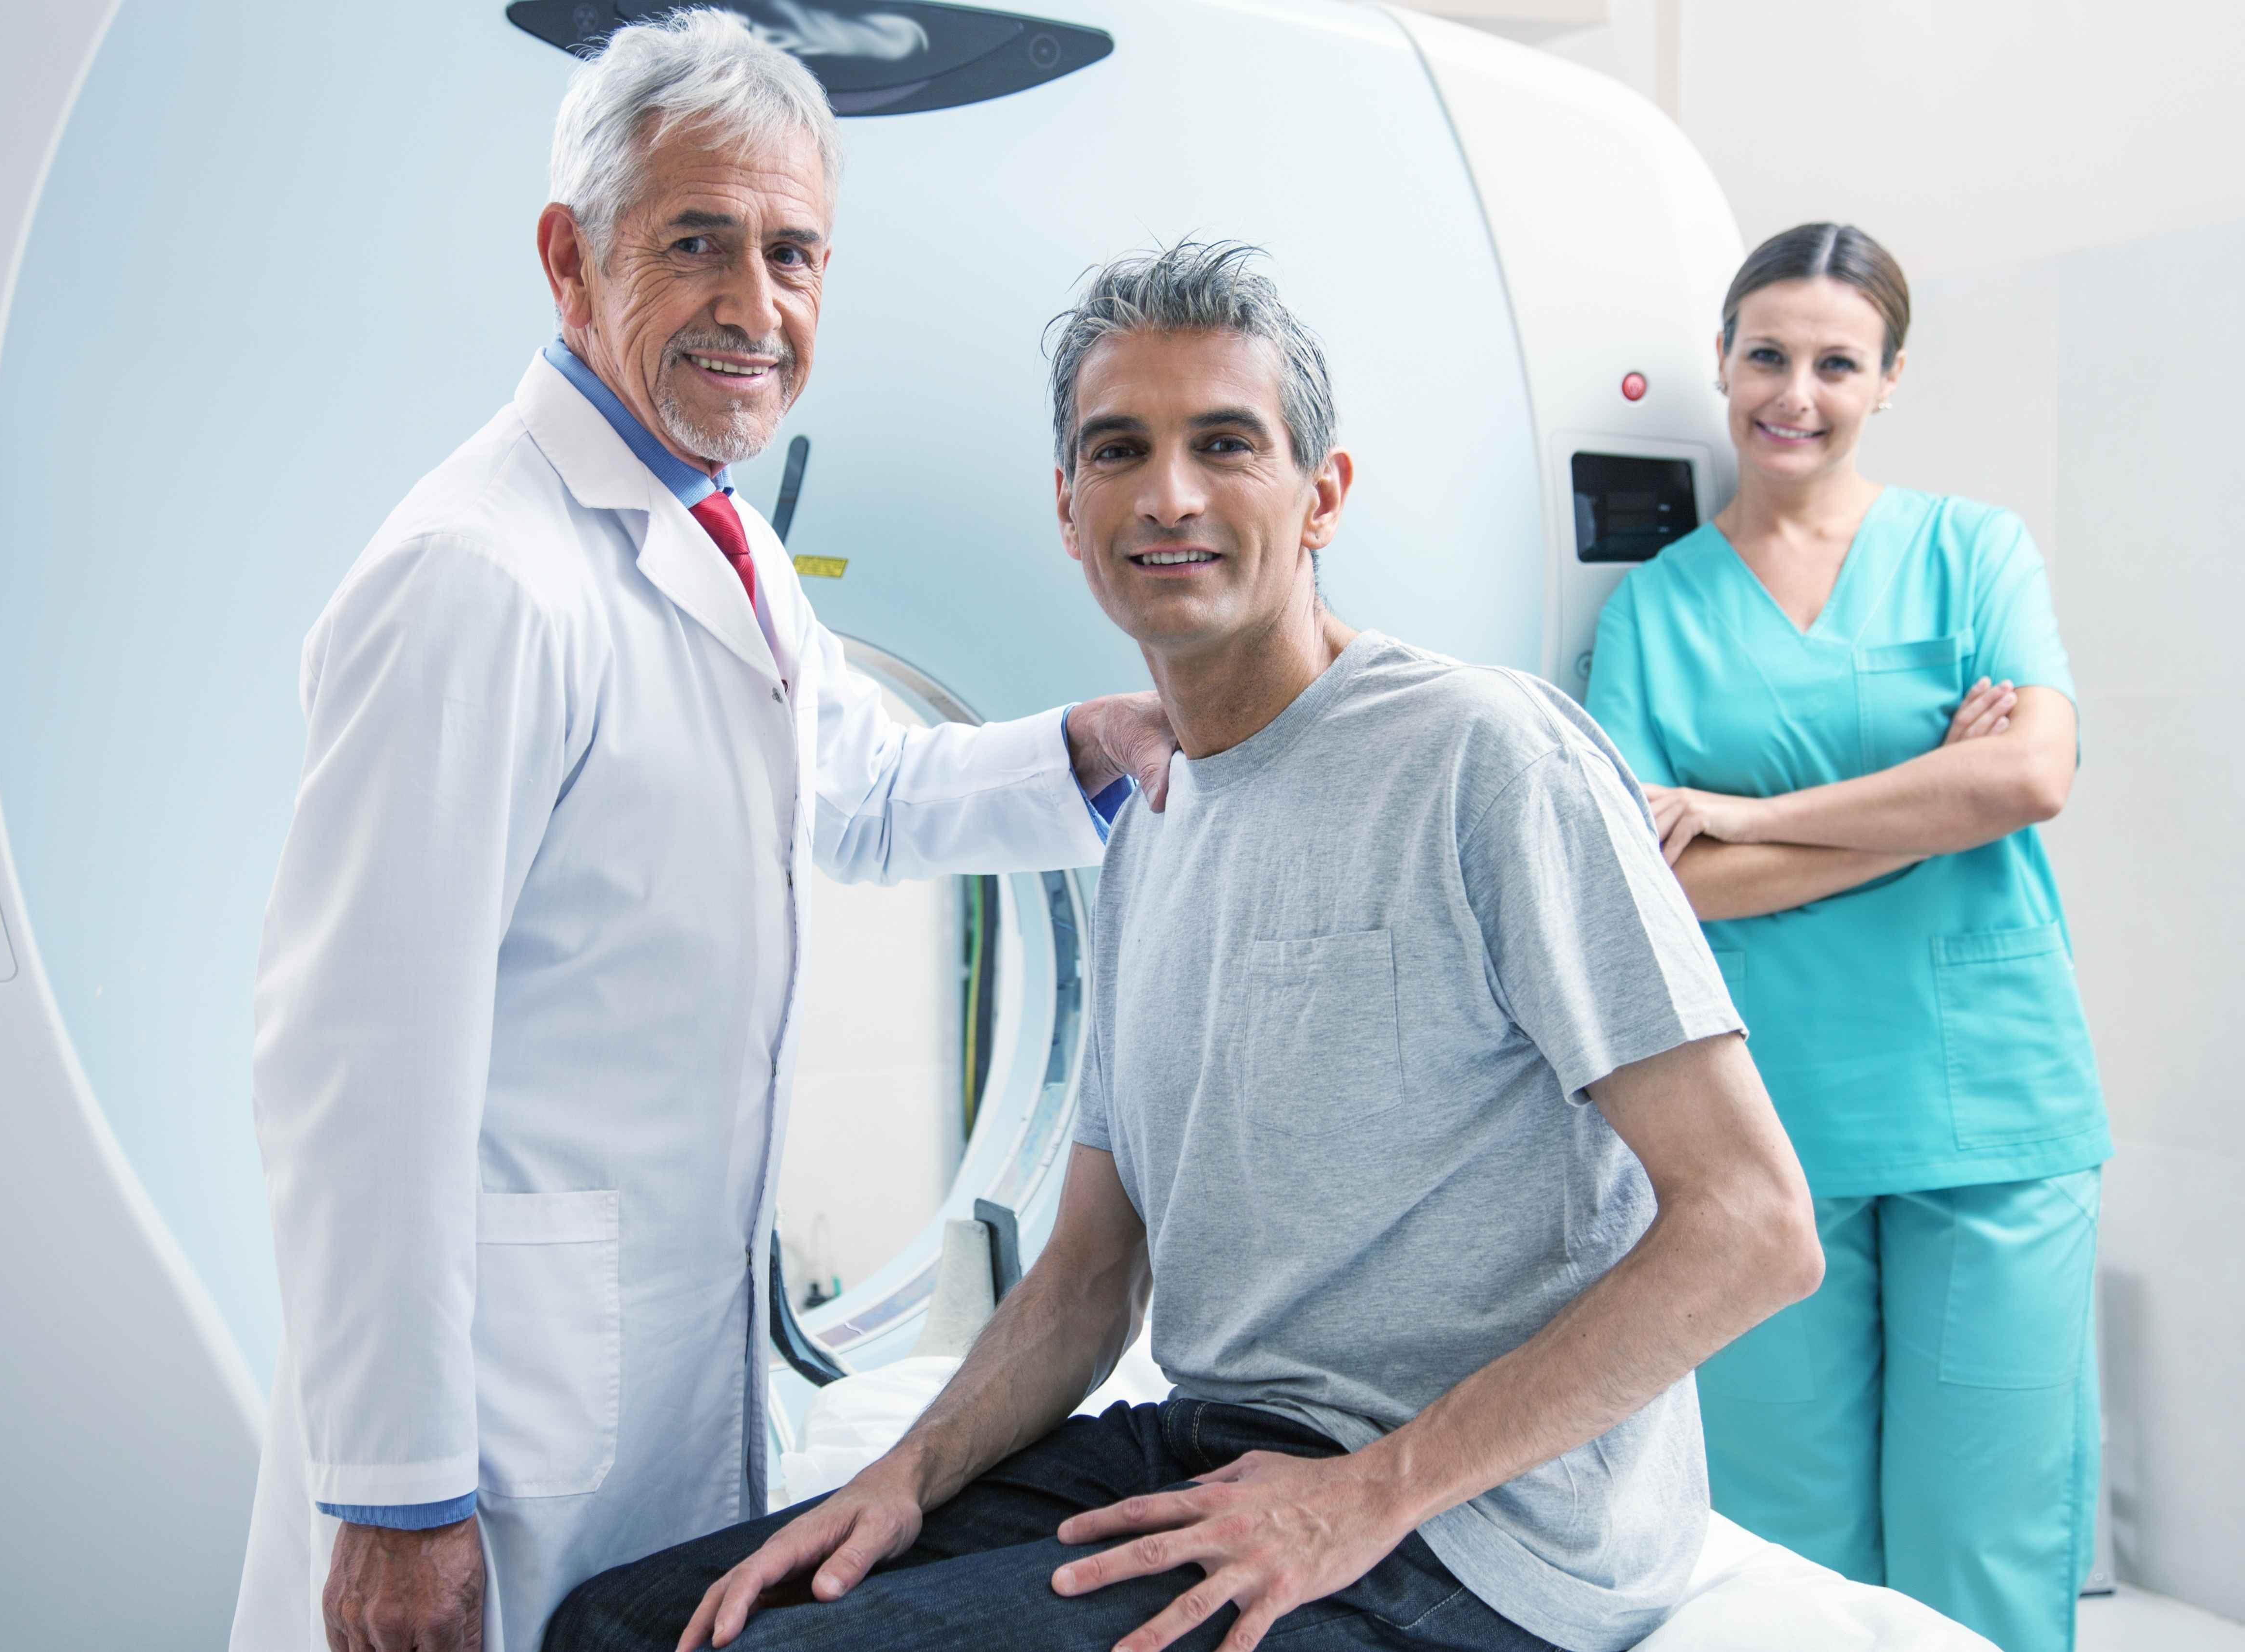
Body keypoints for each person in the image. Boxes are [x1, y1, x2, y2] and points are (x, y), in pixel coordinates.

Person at [545, 241, 1823, 1652]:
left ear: (1321, 494)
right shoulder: (1152, 821)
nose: (1168, 495)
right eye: (1120, 450)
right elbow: (1094, 1270)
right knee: (619, 1626)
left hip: (1470, 1528)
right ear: (1068, 507)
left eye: (1225, 444)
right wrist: (901, 1479)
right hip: (1214, 1442)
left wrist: (1368, 1494)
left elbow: (1755, 1226)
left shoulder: (1483, 759)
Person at [228, 16, 1177, 1652]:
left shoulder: (716, 530)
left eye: (793, 253)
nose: (756, 305)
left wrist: (1093, 743)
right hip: (495, 1418)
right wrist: (395, 1495)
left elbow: (855, 793)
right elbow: (359, 1070)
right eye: (696, 244)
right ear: (570, 260)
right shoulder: (479, 577)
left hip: (658, 1359)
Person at [1583, 222, 2108, 1652]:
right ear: (1722, 361)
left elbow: (2031, 777)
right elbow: (1661, 886)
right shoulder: (1656, 611)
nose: (1795, 395)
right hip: (1765, 1127)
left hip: (1990, 1105)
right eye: (1767, 355)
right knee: (1789, 1546)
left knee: (1986, 1531)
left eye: (1836, 364)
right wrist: (1933, 799)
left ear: (1888, 379)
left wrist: (1751, 816)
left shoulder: (1972, 551)